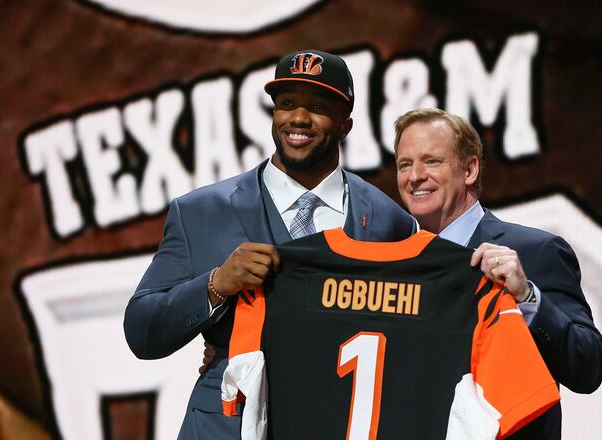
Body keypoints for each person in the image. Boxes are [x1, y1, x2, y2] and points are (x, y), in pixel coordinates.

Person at [123, 49, 416, 439]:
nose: (298, 117)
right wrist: (215, 286)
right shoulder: (201, 212)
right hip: (225, 426)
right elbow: (142, 332)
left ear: (346, 124)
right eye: (286, 104)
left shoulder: (389, 221)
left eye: (317, 105)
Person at [393, 108, 602, 439]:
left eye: (432, 161)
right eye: (405, 164)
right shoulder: (396, 264)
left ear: (470, 169)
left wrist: (527, 296)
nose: (415, 176)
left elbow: (587, 366)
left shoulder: (536, 251)